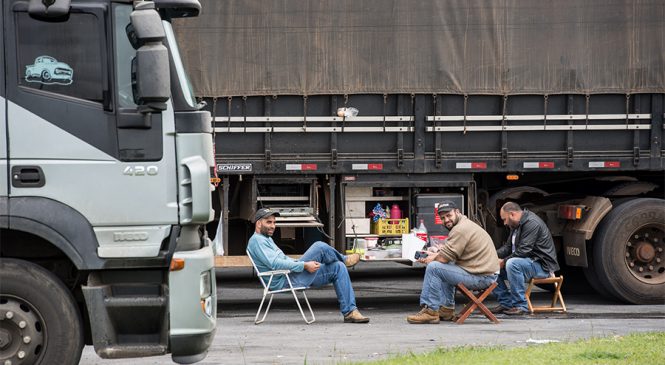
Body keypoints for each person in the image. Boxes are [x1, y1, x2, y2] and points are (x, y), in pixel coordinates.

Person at [247, 208, 370, 323]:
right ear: (258, 224)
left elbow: (283, 259)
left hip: (289, 275)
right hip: (283, 280)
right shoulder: (257, 241)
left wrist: (300, 263)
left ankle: (350, 312)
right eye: (269, 222)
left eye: (274, 222)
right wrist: (304, 265)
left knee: (338, 267)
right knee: (319, 247)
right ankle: (345, 259)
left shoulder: (266, 239)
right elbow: (275, 263)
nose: (273, 226)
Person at [406, 201, 500, 324]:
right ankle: (446, 309)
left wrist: (431, 259)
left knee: (434, 267)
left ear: (457, 212)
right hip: (482, 273)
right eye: (443, 218)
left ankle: (431, 311)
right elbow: (448, 255)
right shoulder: (464, 224)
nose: (446, 220)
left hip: (483, 277)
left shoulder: (460, 229)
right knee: (444, 266)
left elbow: (443, 259)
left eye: (449, 215)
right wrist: (433, 255)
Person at [491, 202, 560, 315]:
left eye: (504, 219)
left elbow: (523, 251)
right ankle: (505, 303)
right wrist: (490, 256)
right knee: (490, 267)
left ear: (512, 214)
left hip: (542, 266)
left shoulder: (532, 223)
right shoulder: (516, 225)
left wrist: (503, 261)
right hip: (526, 263)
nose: (504, 223)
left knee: (512, 263)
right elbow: (508, 247)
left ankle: (520, 306)